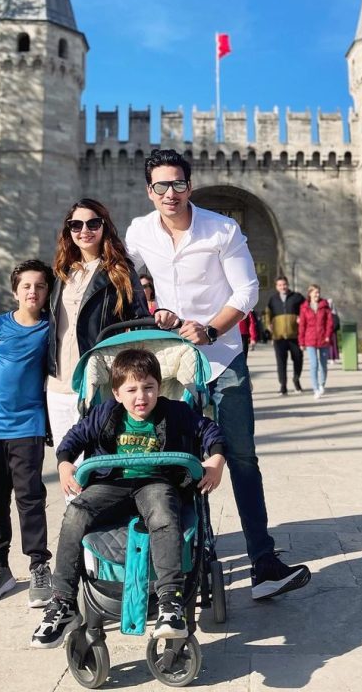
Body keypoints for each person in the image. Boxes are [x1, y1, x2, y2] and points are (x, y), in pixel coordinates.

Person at [125, 148, 311, 601]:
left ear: (190, 185)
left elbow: (248, 289)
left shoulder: (222, 229)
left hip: (223, 358)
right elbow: (123, 276)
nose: (170, 194)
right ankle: (165, 561)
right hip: (172, 362)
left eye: (178, 184)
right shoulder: (139, 232)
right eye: (161, 186)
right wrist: (153, 310)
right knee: (165, 456)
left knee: (242, 457)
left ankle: (262, 562)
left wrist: (211, 328)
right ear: (150, 191)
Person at [31, 348, 226, 648]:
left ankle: (170, 602)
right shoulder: (105, 413)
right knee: (76, 512)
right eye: (132, 389)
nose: (141, 397)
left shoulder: (174, 412)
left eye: (149, 387)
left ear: (159, 388)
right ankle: (63, 601)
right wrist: (65, 463)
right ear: (117, 393)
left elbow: (208, 430)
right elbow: (73, 438)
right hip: (113, 482)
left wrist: (216, 460)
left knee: (164, 515)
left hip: (156, 481)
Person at [0, 259, 55, 608]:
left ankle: (38, 566)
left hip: (28, 426)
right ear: (15, 291)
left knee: (30, 498)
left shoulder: (51, 328)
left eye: (40, 286)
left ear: (48, 292)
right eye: (27, 286)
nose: (33, 291)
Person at [47, 198, 149, 457]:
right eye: (76, 225)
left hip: (98, 382)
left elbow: (140, 323)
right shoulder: (62, 272)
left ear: (105, 226)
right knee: (66, 461)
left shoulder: (120, 270)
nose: (85, 230)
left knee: (96, 463)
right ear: (68, 231)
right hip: (58, 384)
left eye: (93, 223)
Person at [264, 276, 306, 395]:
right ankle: (283, 385)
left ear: (288, 284)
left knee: (298, 359)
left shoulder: (297, 297)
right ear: (276, 287)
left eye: (284, 284)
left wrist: (301, 319)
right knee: (281, 362)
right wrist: (268, 325)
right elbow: (267, 314)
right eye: (280, 285)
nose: (283, 287)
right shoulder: (273, 299)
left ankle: (296, 380)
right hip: (279, 336)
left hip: (295, 335)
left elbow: (305, 310)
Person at [298, 285, 333, 399]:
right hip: (310, 339)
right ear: (310, 293)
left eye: (318, 292)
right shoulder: (304, 307)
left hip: (323, 339)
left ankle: (322, 384)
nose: (317, 295)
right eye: (315, 292)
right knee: (314, 364)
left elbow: (329, 322)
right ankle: (315, 388)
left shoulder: (325, 305)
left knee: (323, 364)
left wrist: (328, 335)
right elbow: (302, 325)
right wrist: (301, 341)